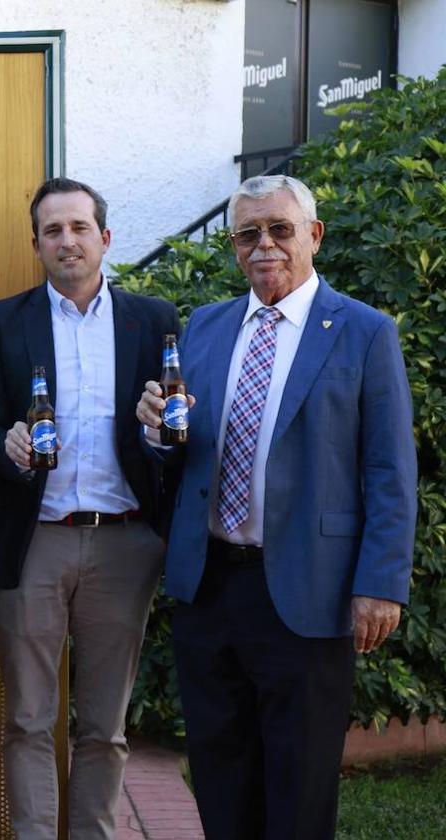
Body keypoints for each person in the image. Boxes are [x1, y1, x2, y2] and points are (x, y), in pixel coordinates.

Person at [135, 174, 417, 840]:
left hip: (309, 591)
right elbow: (182, 451)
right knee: (220, 772)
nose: (264, 245)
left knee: (300, 782)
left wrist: (380, 583)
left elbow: (388, 469)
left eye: (280, 229)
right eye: (248, 233)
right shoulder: (203, 328)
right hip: (211, 589)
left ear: (313, 235)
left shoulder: (363, 332)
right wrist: (155, 431)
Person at [0, 177, 179, 839]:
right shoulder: (2, 321)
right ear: (36, 244)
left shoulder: (154, 319)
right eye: (53, 231)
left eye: (79, 228)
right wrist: (9, 449)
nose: (67, 240)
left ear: (105, 238)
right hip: (35, 538)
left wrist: (156, 433)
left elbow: (173, 442)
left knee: (104, 725)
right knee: (29, 718)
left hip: (124, 541)